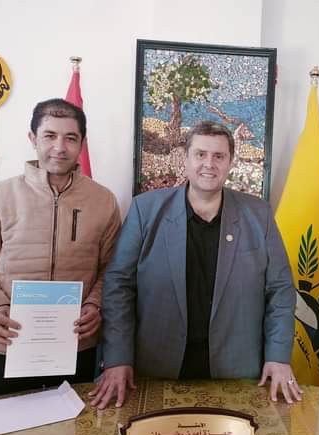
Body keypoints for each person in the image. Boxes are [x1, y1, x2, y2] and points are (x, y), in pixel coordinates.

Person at [89, 120, 301, 408]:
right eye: (200, 154)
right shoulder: (145, 210)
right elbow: (118, 286)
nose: (209, 164)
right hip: (156, 367)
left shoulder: (259, 214)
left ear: (230, 162)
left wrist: (278, 356)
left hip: (237, 370)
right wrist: (117, 357)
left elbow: (280, 290)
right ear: (185, 159)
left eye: (219, 156)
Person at [0, 98, 121, 396]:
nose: (60, 147)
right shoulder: (1, 195)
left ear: (82, 143)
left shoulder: (103, 201)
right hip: (11, 340)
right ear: (33, 138)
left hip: (77, 342)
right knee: (9, 422)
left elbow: (112, 267)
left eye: (70, 138)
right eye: (49, 135)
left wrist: (95, 304)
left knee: (77, 423)